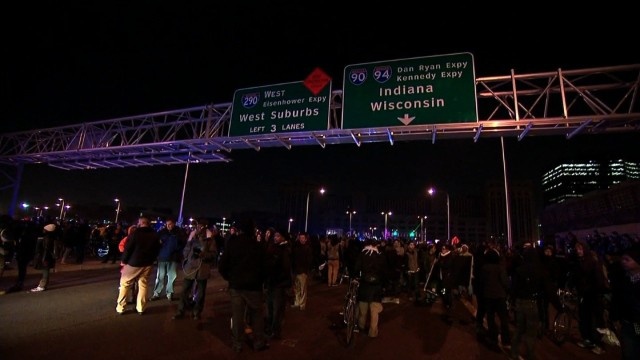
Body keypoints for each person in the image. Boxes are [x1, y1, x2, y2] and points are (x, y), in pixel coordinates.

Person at [218, 217, 269, 353]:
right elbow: (265, 268)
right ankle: (258, 342)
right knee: (257, 315)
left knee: (237, 316)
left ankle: (237, 344)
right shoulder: (258, 246)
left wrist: (230, 278)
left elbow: (222, 265)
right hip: (254, 286)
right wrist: (261, 280)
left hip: (236, 286)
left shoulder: (232, 244)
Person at [115, 216, 161, 315]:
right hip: (147, 263)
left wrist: (124, 261)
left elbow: (128, 249)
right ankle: (141, 308)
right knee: (143, 285)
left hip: (133, 263)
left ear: (141, 223)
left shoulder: (135, 234)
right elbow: (157, 249)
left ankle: (121, 307)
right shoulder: (154, 234)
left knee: (125, 284)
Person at [172, 218, 216, 320]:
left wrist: (203, 254)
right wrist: (187, 256)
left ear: (205, 227)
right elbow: (186, 249)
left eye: (201, 226)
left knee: (200, 293)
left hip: (202, 268)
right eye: (198, 226)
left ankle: (197, 312)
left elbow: (213, 254)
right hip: (190, 268)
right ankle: (181, 310)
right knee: (184, 291)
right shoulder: (192, 236)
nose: (199, 228)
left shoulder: (210, 239)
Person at [510, 245, 544, 360]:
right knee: (531, 331)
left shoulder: (519, 270)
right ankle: (529, 354)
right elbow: (545, 288)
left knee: (519, 328)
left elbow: (513, 288)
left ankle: (514, 351)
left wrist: (512, 301)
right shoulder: (538, 270)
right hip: (531, 302)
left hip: (520, 302)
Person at [608, 243, 640, 360]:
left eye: (627, 259)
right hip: (628, 324)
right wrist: (614, 317)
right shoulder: (621, 279)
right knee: (629, 353)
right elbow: (616, 299)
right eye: (623, 259)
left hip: (637, 321)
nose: (623, 261)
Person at [354, 238, 388, 338]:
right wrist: (384, 285)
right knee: (374, 310)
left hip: (364, 284)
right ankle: (373, 332)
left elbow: (356, 267)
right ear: (375, 245)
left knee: (363, 309)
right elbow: (384, 272)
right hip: (376, 286)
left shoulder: (362, 254)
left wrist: (356, 277)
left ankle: (361, 326)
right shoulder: (380, 256)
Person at [264, 229, 292, 339]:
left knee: (277, 310)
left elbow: (285, 268)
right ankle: (271, 328)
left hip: (278, 284)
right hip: (273, 283)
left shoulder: (284, 250)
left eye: (278, 236)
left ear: (283, 238)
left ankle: (275, 331)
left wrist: (274, 274)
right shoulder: (274, 248)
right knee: (270, 308)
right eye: (275, 236)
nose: (275, 238)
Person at [150, 217, 187, 301]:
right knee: (160, 277)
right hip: (162, 258)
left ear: (174, 224)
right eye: (167, 224)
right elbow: (156, 243)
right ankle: (156, 293)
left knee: (172, 277)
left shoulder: (179, 232)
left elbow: (183, 244)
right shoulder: (162, 232)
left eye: (170, 224)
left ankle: (169, 293)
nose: (168, 226)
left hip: (173, 258)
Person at [30, 223, 58, 292]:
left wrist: (44, 259)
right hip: (49, 257)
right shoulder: (53, 237)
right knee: (46, 271)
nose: (43, 230)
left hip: (46, 257)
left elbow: (46, 249)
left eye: (44, 229)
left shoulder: (47, 238)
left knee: (45, 271)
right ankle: (43, 285)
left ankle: (42, 286)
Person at [291, 232, 313, 310]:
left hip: (303, 271)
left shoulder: (308, 248)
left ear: (306, 239)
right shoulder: (296, 247)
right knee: (296, 288)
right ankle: (297, 302)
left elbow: (309, 261)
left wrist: (306, 269)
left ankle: (302, 304)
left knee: (303, 289)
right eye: (300, 238)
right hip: (296, 271)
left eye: (303, 238)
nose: (301, 239)